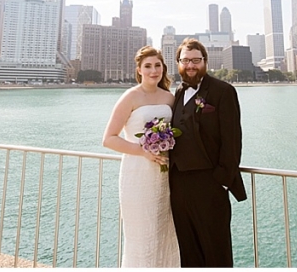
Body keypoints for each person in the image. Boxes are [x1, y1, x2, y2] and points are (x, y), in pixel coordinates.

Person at [169, 38, 246, 267]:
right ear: (178, 63)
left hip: (210, 183)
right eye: (185, 60)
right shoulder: (178, 93)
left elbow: (232, 140)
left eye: (196, 60)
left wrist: (221, 181)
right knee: (188, 249)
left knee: (216, 250)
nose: (190, 65)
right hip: (178, 184)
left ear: (205, 62)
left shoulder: (223, 91)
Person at [102, 46, 181, 268]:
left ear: (163, 68)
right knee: (141, 236)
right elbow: (108, 139)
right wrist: (143, 151)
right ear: (139, 70)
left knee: (164, 233)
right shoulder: (130, 97)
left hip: (164, 176)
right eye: (148, 66)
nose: (153, 71)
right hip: (137, 175)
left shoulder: (169, 98)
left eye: (157, 65)